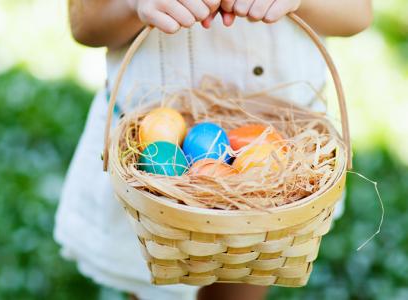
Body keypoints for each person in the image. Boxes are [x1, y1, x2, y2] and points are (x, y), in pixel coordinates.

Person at [55, 1, 373, 299]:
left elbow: (356, 13)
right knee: (156, 282)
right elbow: (86, 24)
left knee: (246, 275)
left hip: (280, 167)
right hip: (148, 165)